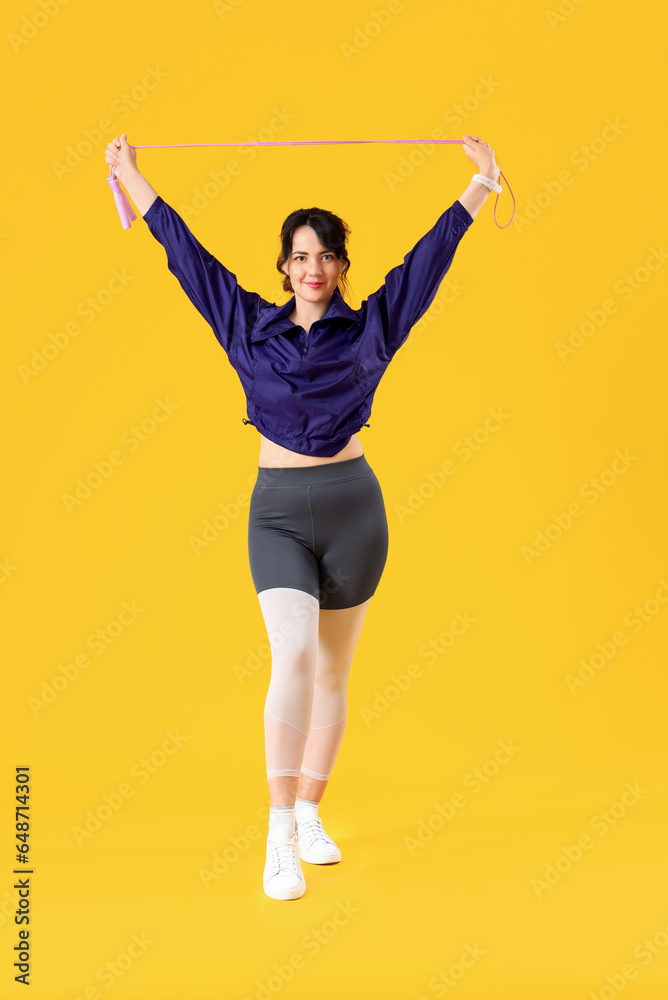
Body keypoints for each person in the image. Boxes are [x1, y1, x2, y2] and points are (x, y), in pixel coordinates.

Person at [104, 132, 501, 900]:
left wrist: (479, 186)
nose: (312, 268)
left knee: (332, 673)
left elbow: (428, 262)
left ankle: (315, 810)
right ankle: (279, 829)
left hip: (356, 510)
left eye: (325, 256)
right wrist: (131, 175)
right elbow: (187, 255)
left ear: (341, 267)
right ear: (283, 266)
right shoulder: (246, 324)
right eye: (298, 256)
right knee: (290, 660)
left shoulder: (374, 326)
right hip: (279, 514)